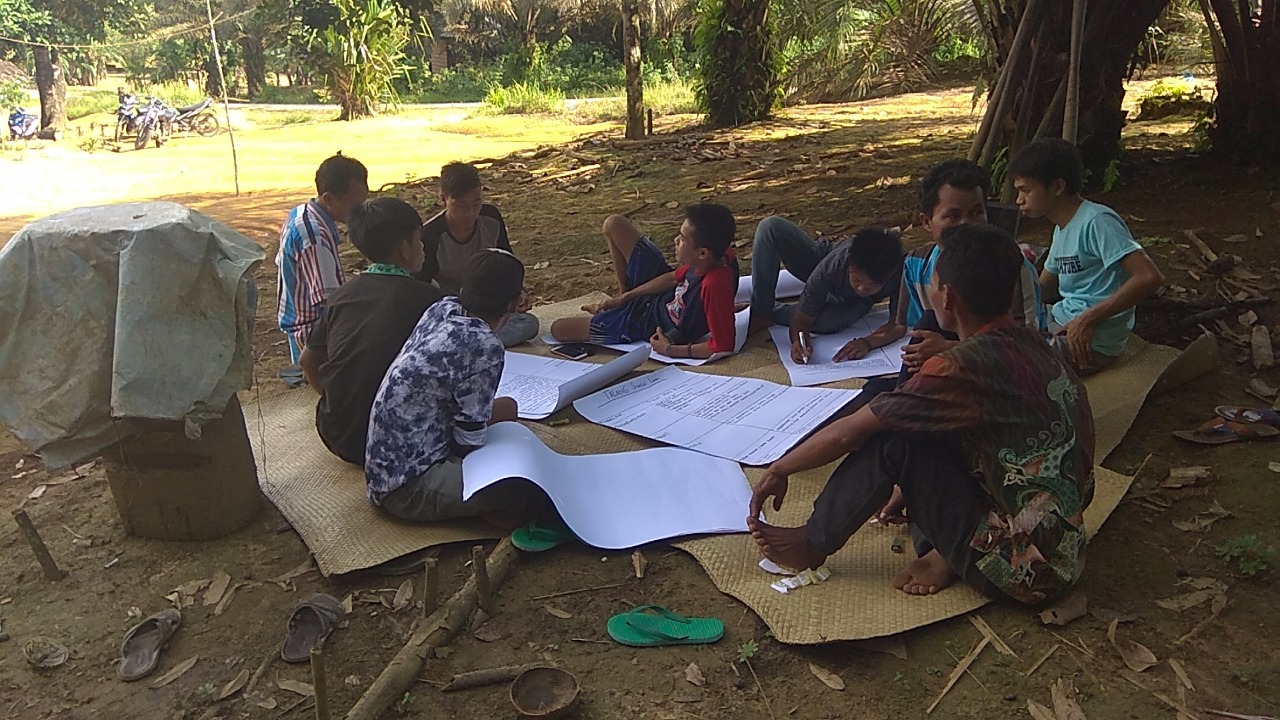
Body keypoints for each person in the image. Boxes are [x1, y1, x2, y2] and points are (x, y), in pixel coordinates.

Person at [747, 223, 1096, 605]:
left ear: (946, 297)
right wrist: (911, 486)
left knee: (893, 439)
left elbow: (853, 432)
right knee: (919, 424)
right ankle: (942, 548)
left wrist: (780, 468)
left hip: (1025, 567)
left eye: (932, 281)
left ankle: (813, 543)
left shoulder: (958, 367)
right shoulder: (1036, 345)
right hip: (1065, 548)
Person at [365, 248, 546, 523]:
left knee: (507, 408)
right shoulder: (485, 346)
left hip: (388, 465)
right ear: (513, 303)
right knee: (528, 487)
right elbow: (468, 441)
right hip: (408, 485)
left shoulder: (444, 308)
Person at [299, 198, 444, 465]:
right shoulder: (431, 301)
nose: (423, 247)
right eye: (418, 239)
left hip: (337, 434)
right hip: (393, 441)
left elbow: (308, 360)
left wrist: (339, 401)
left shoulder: (342, 296)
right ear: (404, 248)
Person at [1010, 139, 1163, 375]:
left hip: (1090, 342)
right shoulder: (1061, 228)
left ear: (1058, 187)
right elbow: (1042, 287)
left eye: (1026, 190)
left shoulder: (1097, 221)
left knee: (1009, 365)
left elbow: (1149, 277)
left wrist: (1088, 320)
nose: (1019, 200)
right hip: (1060, 319)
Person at [893, 159, 1048, 378]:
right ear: (927, 221)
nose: (967, 224)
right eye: (953, 216)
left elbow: (1028, 350)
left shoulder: (1011, 265)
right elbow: (920, 332)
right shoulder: (916, 264)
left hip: (1002, 373)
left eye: (976, 212)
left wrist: (949, 349)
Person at [549, 204, 739, 361]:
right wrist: (626, 297)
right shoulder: (718, 255)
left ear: (702, 253)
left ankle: (619, 316)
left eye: (681, 239)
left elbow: (722, 345)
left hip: (647, 322)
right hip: (660, 296)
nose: (675, 240)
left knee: (559, 329)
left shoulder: (714, 284)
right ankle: (623, 302)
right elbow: (673, 277)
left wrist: (668, 350)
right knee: (614, 224)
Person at [413, 162, 539, 347]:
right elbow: (421, 287)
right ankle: (478, 342)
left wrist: (517, 293)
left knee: (529, 324)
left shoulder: (491, 218)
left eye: (476, 203)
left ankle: (469, 343)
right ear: (443, 199)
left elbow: (506, 262)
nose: (470, 213)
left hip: (491, 305)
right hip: (454, 309)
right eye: (461, 206)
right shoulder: (431, 236)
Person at [748, 216, 906, 363]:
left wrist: (868, 343)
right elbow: (802, 320)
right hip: (820, 262)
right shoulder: (833, 265)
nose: (862, 288)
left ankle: (774, 310)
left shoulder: (903, 271)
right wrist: (799, 341)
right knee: (771, 226)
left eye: (873, 285)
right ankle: (762, 312)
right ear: (850, 264)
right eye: (857, 279)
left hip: (857, 303)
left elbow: (898, 325)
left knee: (829, 322)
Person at [275, 153, 370, 379]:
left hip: (308, 324)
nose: (360, 211)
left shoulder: (302, 213)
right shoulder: (314, 236)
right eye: (355, 205)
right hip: (310, 335)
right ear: (328, 199)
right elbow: (330, 302)